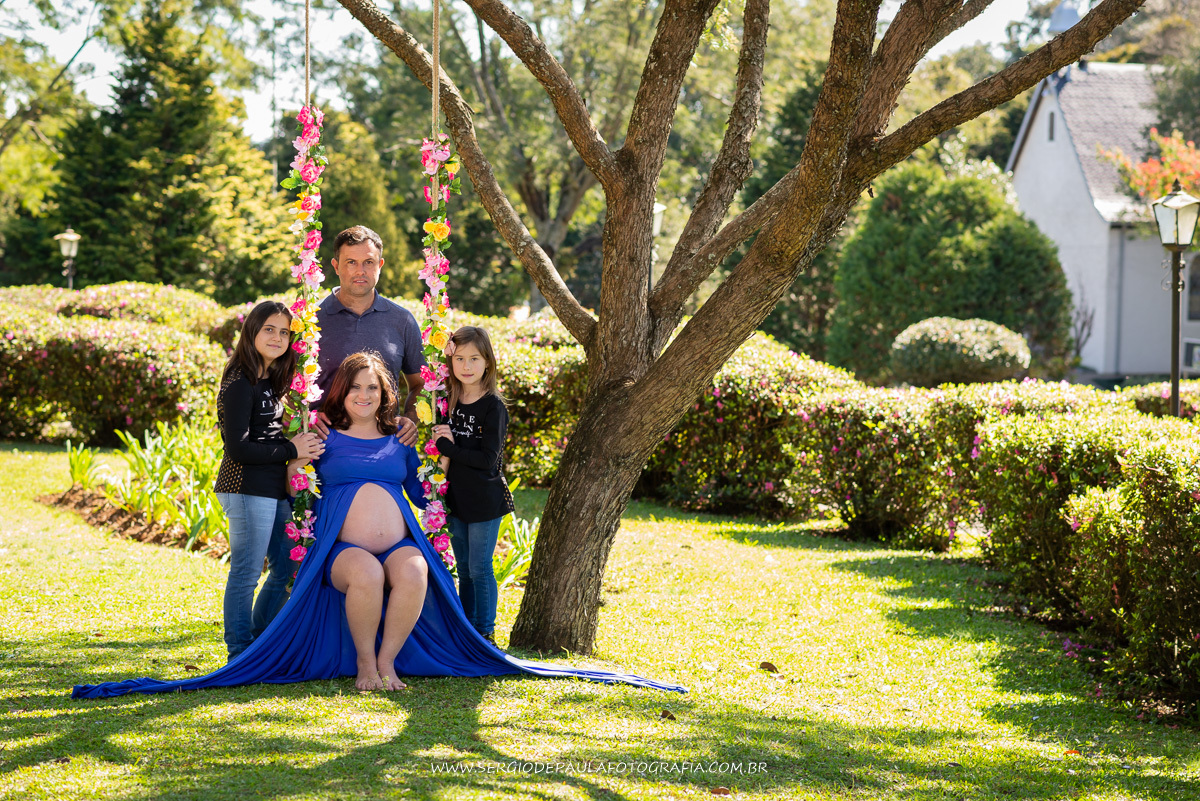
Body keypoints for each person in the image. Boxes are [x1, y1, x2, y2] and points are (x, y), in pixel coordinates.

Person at [71, 352, 685, 699]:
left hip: (402, 541)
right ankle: (365, 665)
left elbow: (422, 491)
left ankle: (389, 662)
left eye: (374, 386)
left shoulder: (399, 436)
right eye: (356, 386)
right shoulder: (323, 436)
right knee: (364, 574)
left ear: (386, 393)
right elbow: (297, 487)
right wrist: (297, 462)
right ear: (341, 391)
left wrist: (433, 457)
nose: (365, 393)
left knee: (415, 570)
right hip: (341, 550)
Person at [214, 301, 324, 660]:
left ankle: (260, 640)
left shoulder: (267, 380)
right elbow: (239, 449)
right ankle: (239, 652)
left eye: (284, 332)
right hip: (245, 488)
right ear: (252, 332)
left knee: (286, 565)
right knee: (247, 572)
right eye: (269, 330)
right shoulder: (240, 383)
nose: (277, 337)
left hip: (272, 490)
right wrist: (290, 450)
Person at [432, 327, 514, 646]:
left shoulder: (493, 406)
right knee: (463, 569)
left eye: (474, 359)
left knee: (480, 567)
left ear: (487, 362)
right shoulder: (447, 403)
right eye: (460, 358)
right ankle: (466, 630)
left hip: (484, 499)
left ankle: (485, 632)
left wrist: (449, 447)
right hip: (455, 499)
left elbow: (488, 460)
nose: (467, 366)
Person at [315, 225, 423, 447]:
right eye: (351, 262)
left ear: (380, 265)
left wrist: (410, 421)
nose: (360, 271)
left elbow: (420, 384)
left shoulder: (402, 320)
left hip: (385, 450)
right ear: (335, 266)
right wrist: (305, 416)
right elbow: (283, 386)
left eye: (369, 262)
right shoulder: (311, 320)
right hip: (321, 449)